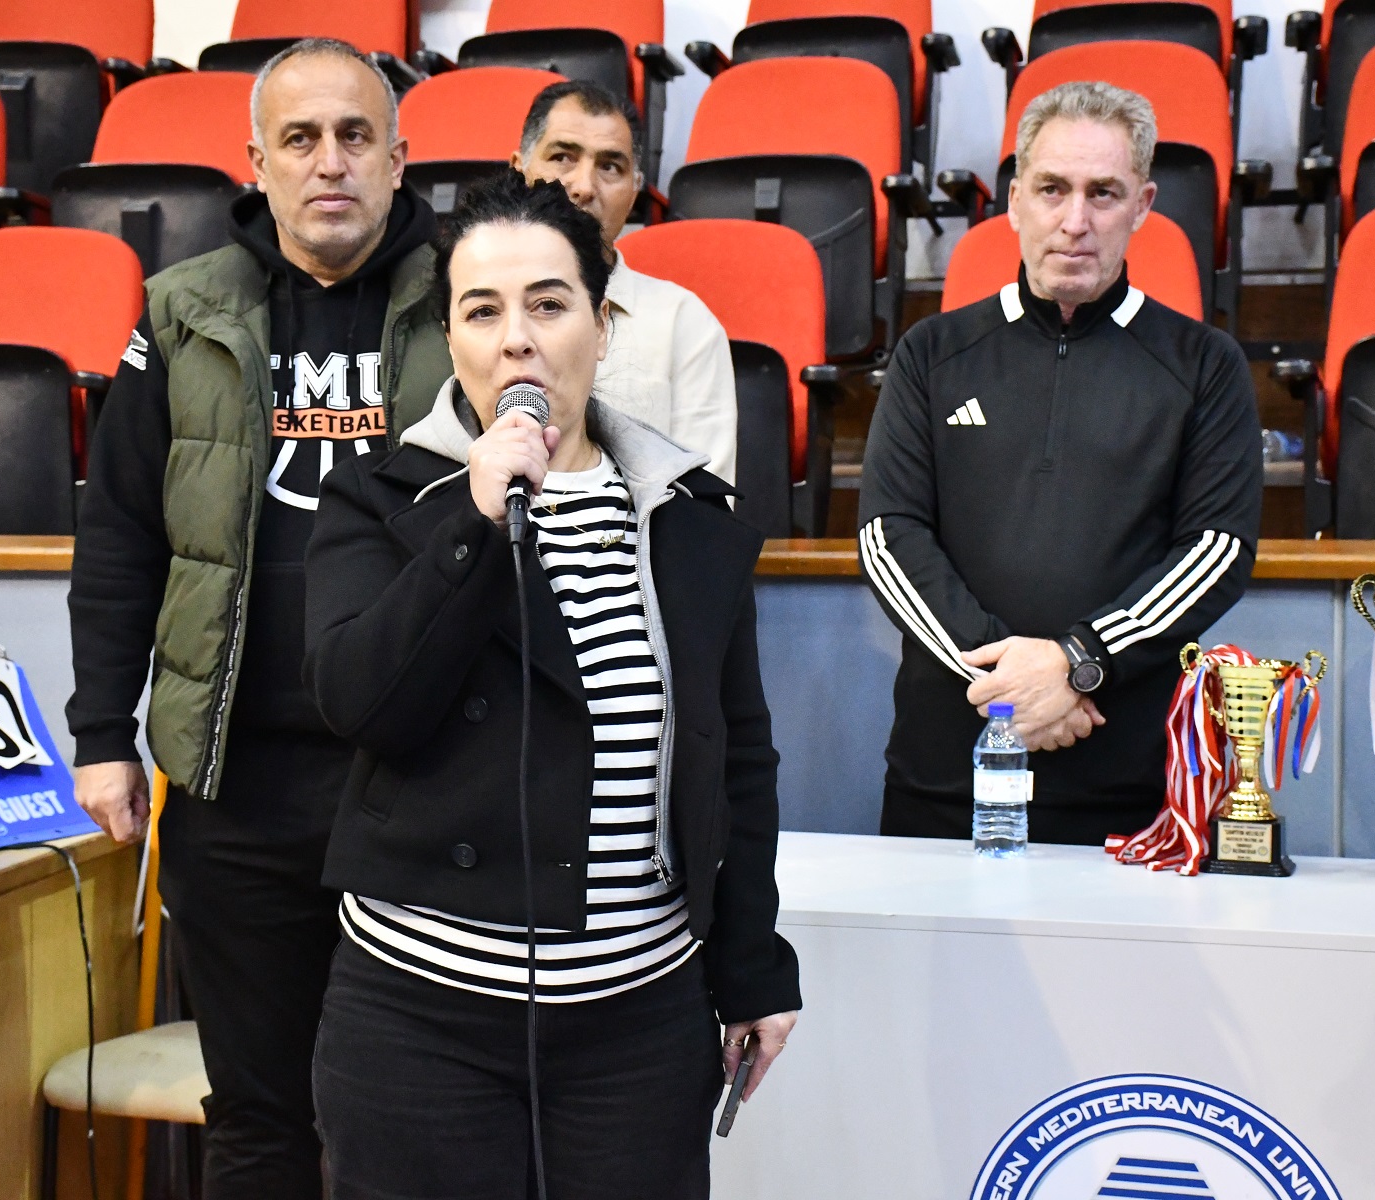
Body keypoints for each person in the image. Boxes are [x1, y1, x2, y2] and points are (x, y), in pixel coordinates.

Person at [301, 172, 799, 1198]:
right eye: (483, 311)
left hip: (639, 1026)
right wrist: (474, 525)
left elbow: (737, 758)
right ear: (451, 339)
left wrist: (752, 964)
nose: (518, 340)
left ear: (602, 325)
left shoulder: (686, 515)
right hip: (421, 1026)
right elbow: (363, 704)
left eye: (548, 303)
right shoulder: (383, 499)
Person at [65, 38, 451, 1199]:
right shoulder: (182, 312)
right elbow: (120, 535)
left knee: (420, 1118)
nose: (329, 162)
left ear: (397, 159)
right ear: (258, 162)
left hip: (422, 785)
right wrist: (101, 733)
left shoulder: (470, 301)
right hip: (236, 792)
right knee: (256, 1113)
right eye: (300, 139)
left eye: (354, 136)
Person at [856, 81, 1261, 845]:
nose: (1076, 221)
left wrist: (1079, 661)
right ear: (1015, 201)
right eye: (1052, 189)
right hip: (944, 777)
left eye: (1103, 193)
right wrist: (1008, 685)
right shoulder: (932, 353)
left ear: (1142, 206)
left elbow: (1215, 550)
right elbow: (889, 537)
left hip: (1129, 787)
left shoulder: (1204, 364)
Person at [512, 80, 737, 482]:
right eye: (562, 157)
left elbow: (707, 499)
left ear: (634, 192)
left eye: (610, 167)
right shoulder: (467, 313)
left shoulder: (684, 323)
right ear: (519, 171)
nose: (584, 187)